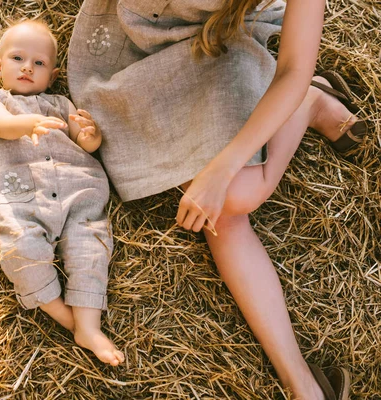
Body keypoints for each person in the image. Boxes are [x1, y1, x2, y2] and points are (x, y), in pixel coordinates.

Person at [68, 0, 369, 398]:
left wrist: (221, 169)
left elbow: (294, 68)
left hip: (218, 39)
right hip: (133, 39)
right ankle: (305, 104)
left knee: (232, 201)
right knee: (220, 198)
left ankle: (303, 386)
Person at [0, 20, 125, 366]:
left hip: (78, 193)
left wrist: (90, 134)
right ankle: (63, 315)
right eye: (17, 58)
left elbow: (87, 143)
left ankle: (88, 325)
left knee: (92, 247)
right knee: (20, 248)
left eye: (38, 63)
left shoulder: (61, 104)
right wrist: (28, 125)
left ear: (52, 76)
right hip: (20, 198)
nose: (27, 67)